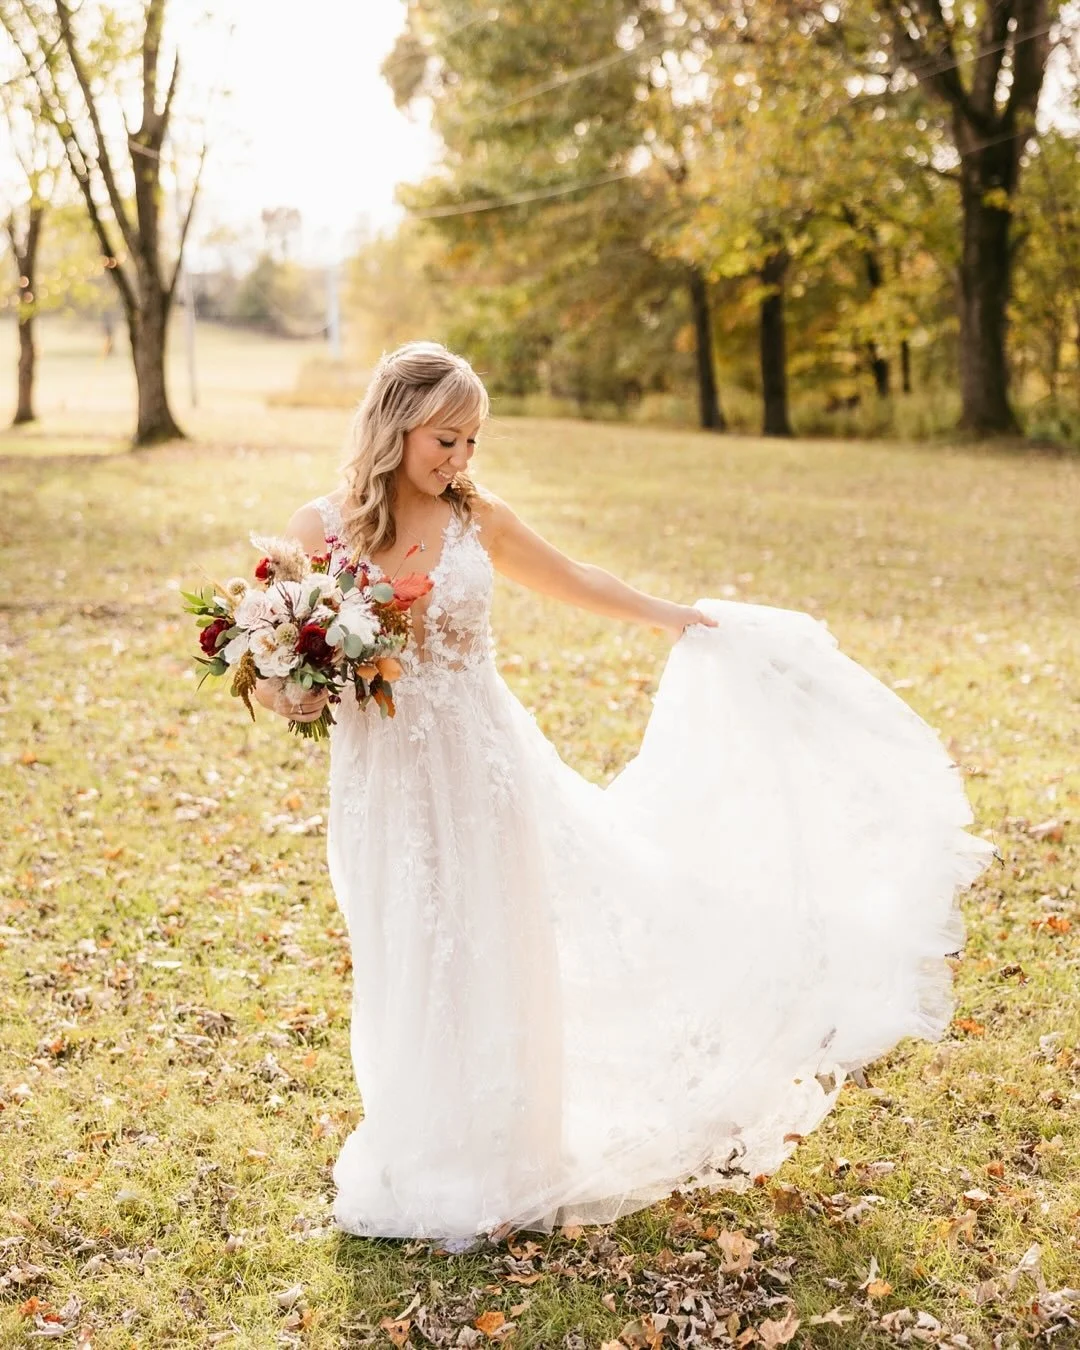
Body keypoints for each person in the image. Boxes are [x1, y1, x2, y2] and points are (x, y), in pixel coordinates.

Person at [254, 340, 995, 1248]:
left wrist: (674, 616)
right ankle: (418, 1150)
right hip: (385, 783)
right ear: (394, 423)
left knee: (496, 944)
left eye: (472, 442)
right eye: (444, 440)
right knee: (407, 948)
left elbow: (576, 580)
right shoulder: (321, 526)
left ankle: (504, 1159)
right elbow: (269, 656)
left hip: (485, 765)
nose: (459, 460)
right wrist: (284, 685)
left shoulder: (479, 518)